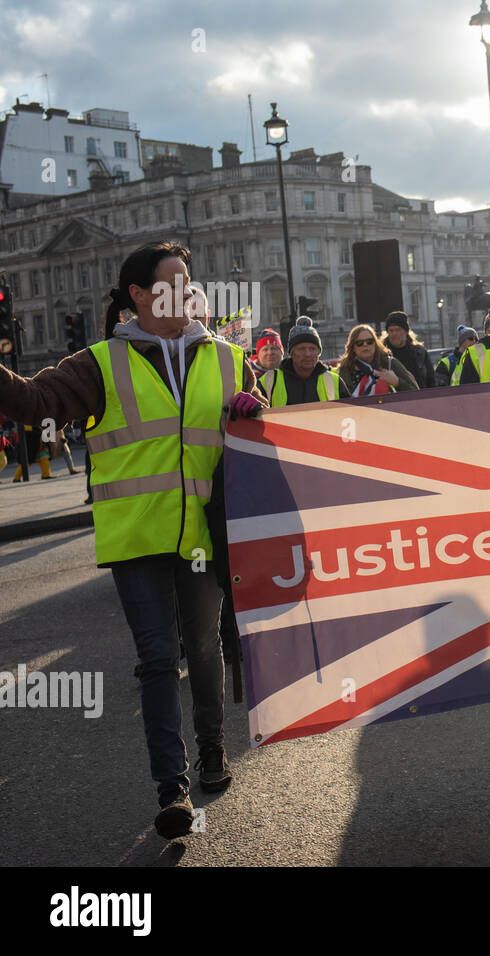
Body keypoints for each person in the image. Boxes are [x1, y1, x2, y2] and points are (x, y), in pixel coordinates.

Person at [0, 240, 267, 838]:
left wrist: (256, 409)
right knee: (156, 660)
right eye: (172, 281)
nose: (187, 290)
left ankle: (213, 750)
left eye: (190, 280)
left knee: (202, 648)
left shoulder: (227, 357)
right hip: (136, 537)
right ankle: (171, 789)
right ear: (139, 296)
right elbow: (36, 403)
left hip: (202, 535)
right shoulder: (97, 363)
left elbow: (260, 433)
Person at [260, 317, 342, 406]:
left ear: (318, 352)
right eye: (301, 349)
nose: (307, 354)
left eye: (312, 349)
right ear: (291, 353)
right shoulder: (269, 380)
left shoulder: (334, 381)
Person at [336, 323, 419, 397]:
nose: (365, 345)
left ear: (375, 344)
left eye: (369, 341)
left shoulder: (389, 363)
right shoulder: (345, 370)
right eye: (359, 343)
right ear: (352, 347)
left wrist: (397, 382)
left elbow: (416, 393)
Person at [381, 311, 435, 388]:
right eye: (391, 330)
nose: (394, 334)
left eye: (398, 330)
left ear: (406, 331)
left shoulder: (419, 352)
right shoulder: (382, 354)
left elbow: (431, 380)